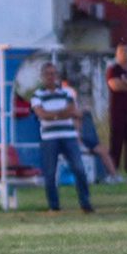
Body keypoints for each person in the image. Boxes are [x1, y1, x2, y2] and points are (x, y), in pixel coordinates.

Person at [31, 63, 94, 213]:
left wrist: (52, 114)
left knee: (79, 169)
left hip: (68, 136)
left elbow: (72, 110)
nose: (51, 77)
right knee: (50, 173)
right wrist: (61, 113)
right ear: (42, 76)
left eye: (53, 74)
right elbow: (42, 115)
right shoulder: (37, 95)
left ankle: (85, 203)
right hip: (49, 138)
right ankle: (54, 206)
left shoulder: (67, 92)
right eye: (48, 74)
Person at [62, 79, 124, 183]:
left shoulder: (73, 103)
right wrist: (80, 113)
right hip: (68, 140)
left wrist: (82, 111)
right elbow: (74, 114)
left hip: (82, 139)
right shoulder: (62, 105)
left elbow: (78, 114)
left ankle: (113, 175)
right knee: (76, 121)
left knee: (103, 150)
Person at [106, 43, 127, 176]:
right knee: (116, 141)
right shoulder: (113, 70)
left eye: (126, 51)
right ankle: (113, 171)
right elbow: (115, 85)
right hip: (118, 112)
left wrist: (125, 83)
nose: (124, 54)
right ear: (117, 54)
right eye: (121, 52)